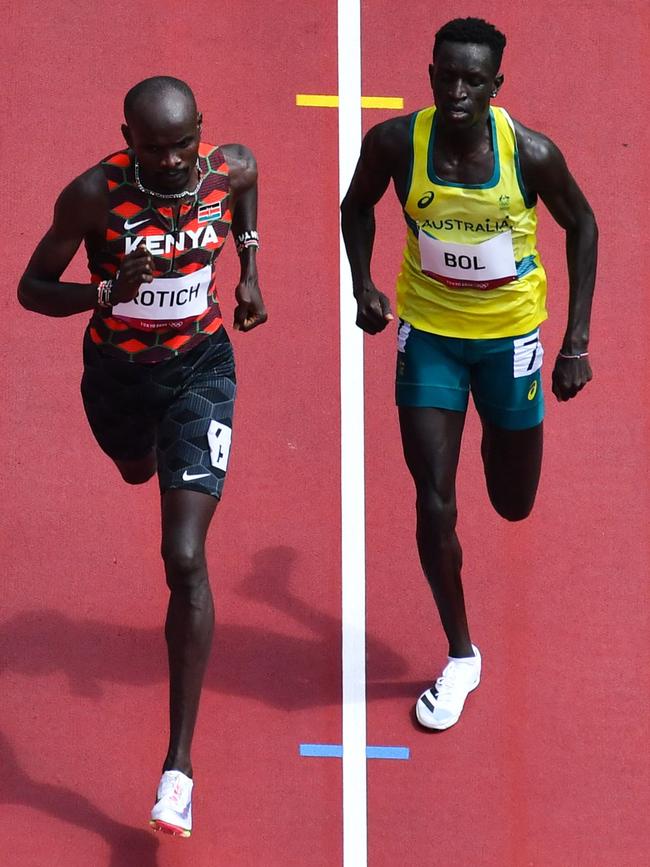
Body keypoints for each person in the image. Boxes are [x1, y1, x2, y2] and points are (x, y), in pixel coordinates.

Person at [18, 76, 267, 836]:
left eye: (181, 143)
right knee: (134, 467)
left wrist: (252, 268)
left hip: (201, 371)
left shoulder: (228, 169)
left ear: (202, 130)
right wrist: (100, 293)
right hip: (119, 380)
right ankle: (149, 457)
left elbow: (247, 185)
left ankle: (177, 768)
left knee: (184, 557)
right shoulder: (92, 195)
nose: (169, 160)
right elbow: (30, 288)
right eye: (152, 147)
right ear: (126, 137)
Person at [341, 18, 597, 731]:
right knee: (434, 502)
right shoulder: (396, 144)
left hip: (509, 339)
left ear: (496, 86)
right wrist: (362, 284)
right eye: (445, 75)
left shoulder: (531, 155)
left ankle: (494, 431)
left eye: (472, 81)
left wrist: (574, 339)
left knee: (512, 501)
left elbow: (585, 224)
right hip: (429, 337)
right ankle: (461, 653)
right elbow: (355, 206)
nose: (456, 91)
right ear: (429, 72)